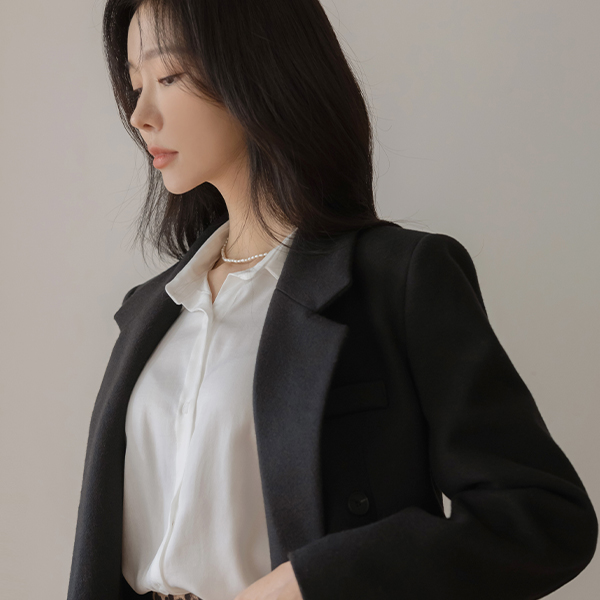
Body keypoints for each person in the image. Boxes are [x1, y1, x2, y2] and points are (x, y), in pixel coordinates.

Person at [67, 1, 598, 599]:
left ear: (258, 69)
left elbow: (541, 520)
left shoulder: (398, 280)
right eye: (135, 84)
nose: (139, 115)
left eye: (168, 76)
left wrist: (312, 583)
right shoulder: (151, 309)